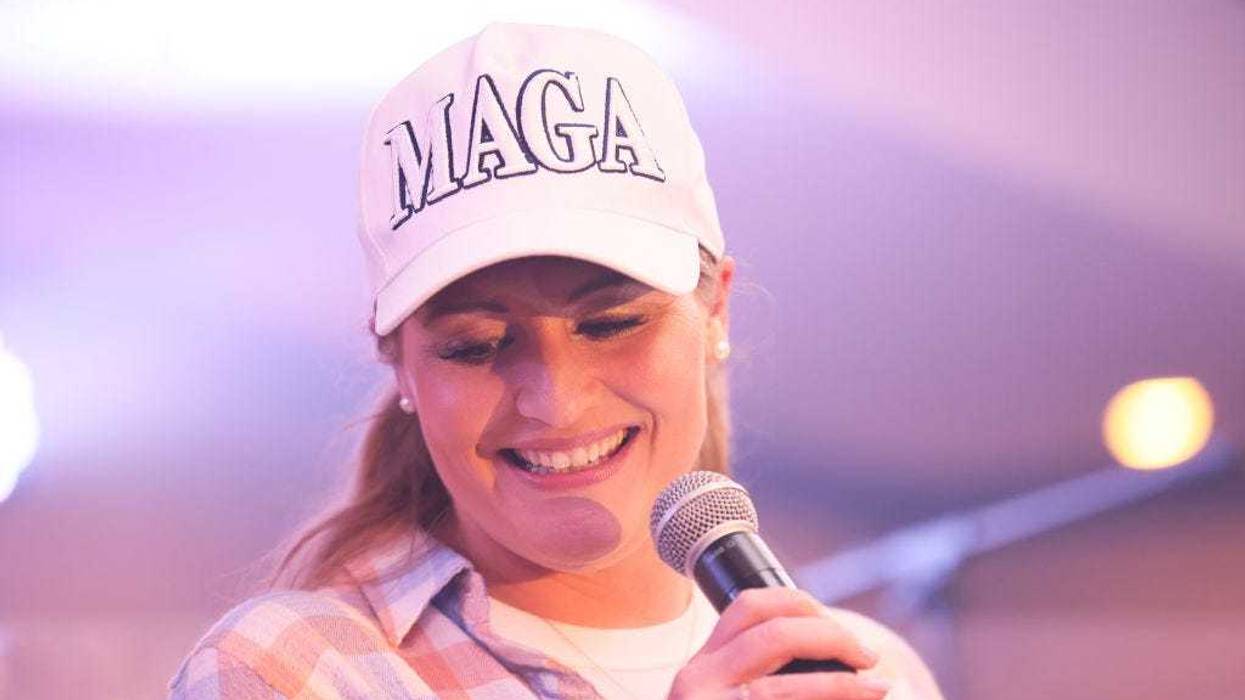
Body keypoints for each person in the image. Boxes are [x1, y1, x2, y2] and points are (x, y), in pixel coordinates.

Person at [169, 22, 944, 700]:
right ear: (400, 364)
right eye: (474, 345)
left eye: (609, 324)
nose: (555, 403)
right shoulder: (293, 672)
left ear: (714, 310)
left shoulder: (873, 672)